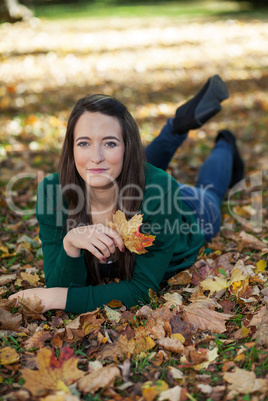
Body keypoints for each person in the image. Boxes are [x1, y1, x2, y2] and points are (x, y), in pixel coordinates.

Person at [9, 75, 244, 314]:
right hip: (133, 185)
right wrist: (70, 244)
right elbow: (62, 283)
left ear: (128, 146)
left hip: (189, 209)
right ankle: (176, 127)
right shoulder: (52, 191)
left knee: (210, 192)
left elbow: (141, 290)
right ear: (70, 147)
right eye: (83, 143)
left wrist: (53, 298)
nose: (95, 155)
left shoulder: (161, 189)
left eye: (110, 143)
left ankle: (226, 143)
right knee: (107, 168)